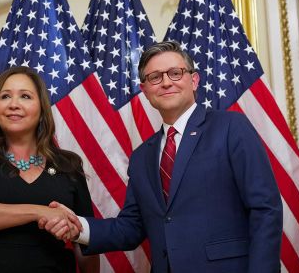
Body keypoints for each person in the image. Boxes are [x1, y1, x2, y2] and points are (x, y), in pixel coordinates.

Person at [42, 40, 283, 273]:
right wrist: (78, 227)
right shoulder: (142, 157)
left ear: (194, 80)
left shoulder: (230, 127)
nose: (166, 82)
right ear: (145, 90)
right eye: (155, 77)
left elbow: (265, 209)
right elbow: (131, 227)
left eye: (175, 73)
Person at [0, 66, 98, 273]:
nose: (13, 104)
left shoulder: (68, 165)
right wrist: (39, 212)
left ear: (42, 109)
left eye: (25, 96)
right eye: (5, 96)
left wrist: (73, 229)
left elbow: (85, 242)